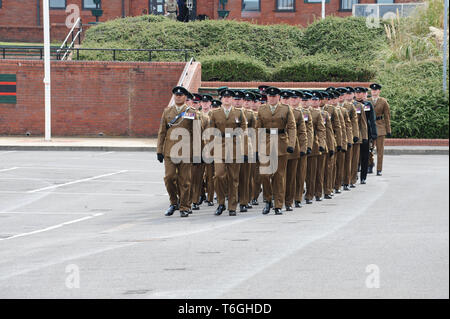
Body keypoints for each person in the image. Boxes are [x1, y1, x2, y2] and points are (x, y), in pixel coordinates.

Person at [157, 86, 199, 218]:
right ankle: (174, 202)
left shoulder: (191, 112)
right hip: (169, 151)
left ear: (185, 97)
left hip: (186, 152)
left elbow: (196, 133)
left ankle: (184, 206)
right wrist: (159, 150)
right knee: (169, 178)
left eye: (181, 95)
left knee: (185, 181)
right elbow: (162, 132)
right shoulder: (167, 111)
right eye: (176, 95)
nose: (178, 97)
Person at [257, 87, 296, 215]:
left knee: (279, 176)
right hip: (266, 144)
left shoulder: (286, 109)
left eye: (274, 96)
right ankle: (268, 200)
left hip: (280, 143)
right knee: (264, 174)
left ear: (278, 97)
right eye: (270, 96)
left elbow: (291, 127)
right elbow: (258, 128)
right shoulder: (262, 109)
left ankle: (278, 205)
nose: (272, 98)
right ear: (267, 97)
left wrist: (291, 144)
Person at [209, 89, 248, 216]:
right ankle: (221, 203)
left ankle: (232, 206)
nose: (226, 99)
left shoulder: (239, 112)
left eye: (229, 97)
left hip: (234, 147)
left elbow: (243, 129)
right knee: (219, 175)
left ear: (232, 99)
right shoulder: (214, 113)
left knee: (233, 178)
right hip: (219, 147)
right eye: (224, 97)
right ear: (221, 99)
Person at [284, 90, 307, 211]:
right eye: (288, 98)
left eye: (293, 98)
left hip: (294, 148)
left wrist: (303, 148)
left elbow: (303, 133)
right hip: (279, 147)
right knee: (279, 176)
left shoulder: (299, 113)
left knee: (295, 176)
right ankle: (277, 199)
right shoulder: (279, 113)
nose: (290, 100)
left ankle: (294, 199)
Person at [304, 91, 326, 205]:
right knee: (304, 173)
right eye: (309, 100)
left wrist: (322, 144)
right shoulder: (297, 112)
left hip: (313, 146)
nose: (309, 102)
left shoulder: (317, 114)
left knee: (313, 173)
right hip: (301, 146)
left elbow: (321, 130)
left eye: (313, 100)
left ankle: (312, 194)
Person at [294, 92, 313, 208]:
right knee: (288, 176)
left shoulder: (305, 113)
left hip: (301, 146)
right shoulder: (286, 112)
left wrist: (307, 147)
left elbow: (308, 132)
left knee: (301, 174)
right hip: (287, 147)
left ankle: (298, 197)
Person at [369, 83, 391, 176]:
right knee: (369, 148)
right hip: (370, 127)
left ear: (379, 91)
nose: (374, 91)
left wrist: (388, 130)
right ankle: (370, 164)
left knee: (380, 150)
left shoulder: (383, 101)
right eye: (373, 90)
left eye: (376, 90)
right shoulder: (367, 101)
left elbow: (387, 116)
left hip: (380, 126)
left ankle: (379, 169)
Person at [350, 87, 368, 189]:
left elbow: (363, 123)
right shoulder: (342, 107)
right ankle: (347, 179)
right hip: (346, 136)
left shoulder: (360, 106)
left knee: (357, 159)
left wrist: (365, 136)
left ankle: (354, 178)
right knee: (348, 160)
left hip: (358, 136)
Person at [359, 87, 378, 184]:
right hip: (356, 134)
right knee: (354, 158)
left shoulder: (368, 105)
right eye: (358, 93)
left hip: (366, 134)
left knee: (365, 157)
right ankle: (352, 177)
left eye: (362, 93)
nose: (360, 95)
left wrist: (374, 135)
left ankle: (363, 177)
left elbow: (372, 120)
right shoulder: (353, 105)